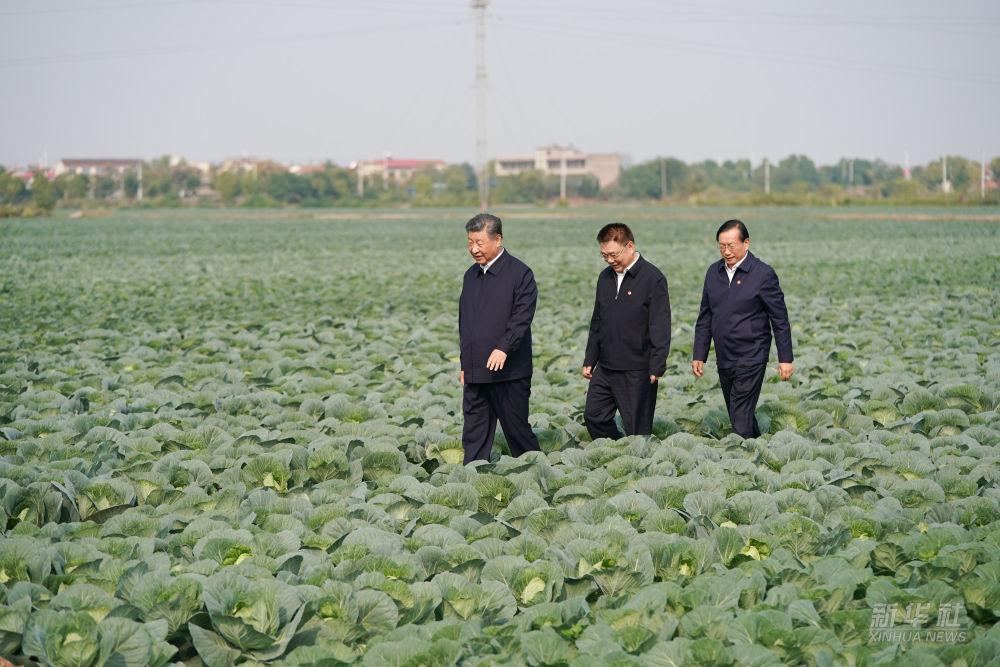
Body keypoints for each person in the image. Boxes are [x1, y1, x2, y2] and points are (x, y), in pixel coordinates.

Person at [692, 219, 794, 438]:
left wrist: (785, 359)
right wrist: (699, 354)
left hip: (752, 355)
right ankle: (758, 451)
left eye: (731, 245)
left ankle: (740, 461)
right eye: (722, 246)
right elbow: (705, 316)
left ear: (746, 243)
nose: (726, 251)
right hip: (724, 355)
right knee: (739, 413)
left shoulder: (762, 274)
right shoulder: (713, 273)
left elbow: (780, 319)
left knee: (739, 415)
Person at [458, 213, 541, 463]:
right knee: (474, 432)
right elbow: (466, 323)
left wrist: (503, 348)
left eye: (479, 243)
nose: (474, 249)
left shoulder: (520, 274)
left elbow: (521, 318)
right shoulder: (470, 276)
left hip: (509, 372)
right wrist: (465, 363)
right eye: (470, 242)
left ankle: (537, 474)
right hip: (476, 371)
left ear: (498, 239)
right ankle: (472, 478)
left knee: (517, 431)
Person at [582, 223, 671, 439]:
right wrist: (590, 358)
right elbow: (597, 321)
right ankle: (616, 451)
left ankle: (639, 467)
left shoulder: (652, 278)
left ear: (629, 246)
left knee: (637, 430)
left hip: (637, 368)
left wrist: (657, 364)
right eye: (604, 255)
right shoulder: (605, 278)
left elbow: (660, 325)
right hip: (606, 366)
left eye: (613, 254)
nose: (610, 260)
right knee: (594, 416)